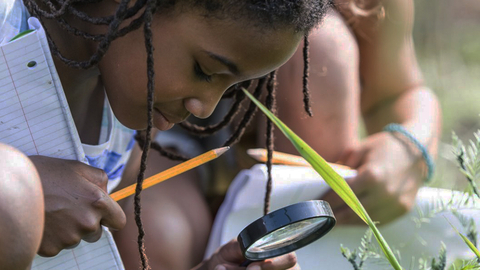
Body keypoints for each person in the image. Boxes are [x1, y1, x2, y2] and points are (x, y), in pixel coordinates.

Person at [0, 0, 329, 270]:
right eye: (204, 70)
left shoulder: (118, 129)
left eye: (232, 89)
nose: (205, 107)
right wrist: (27, 189)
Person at [234, 0, 442, 225]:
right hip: (193, 173)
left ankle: (307, 236)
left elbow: (398, 92)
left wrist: (409, 146)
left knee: (321, 45)